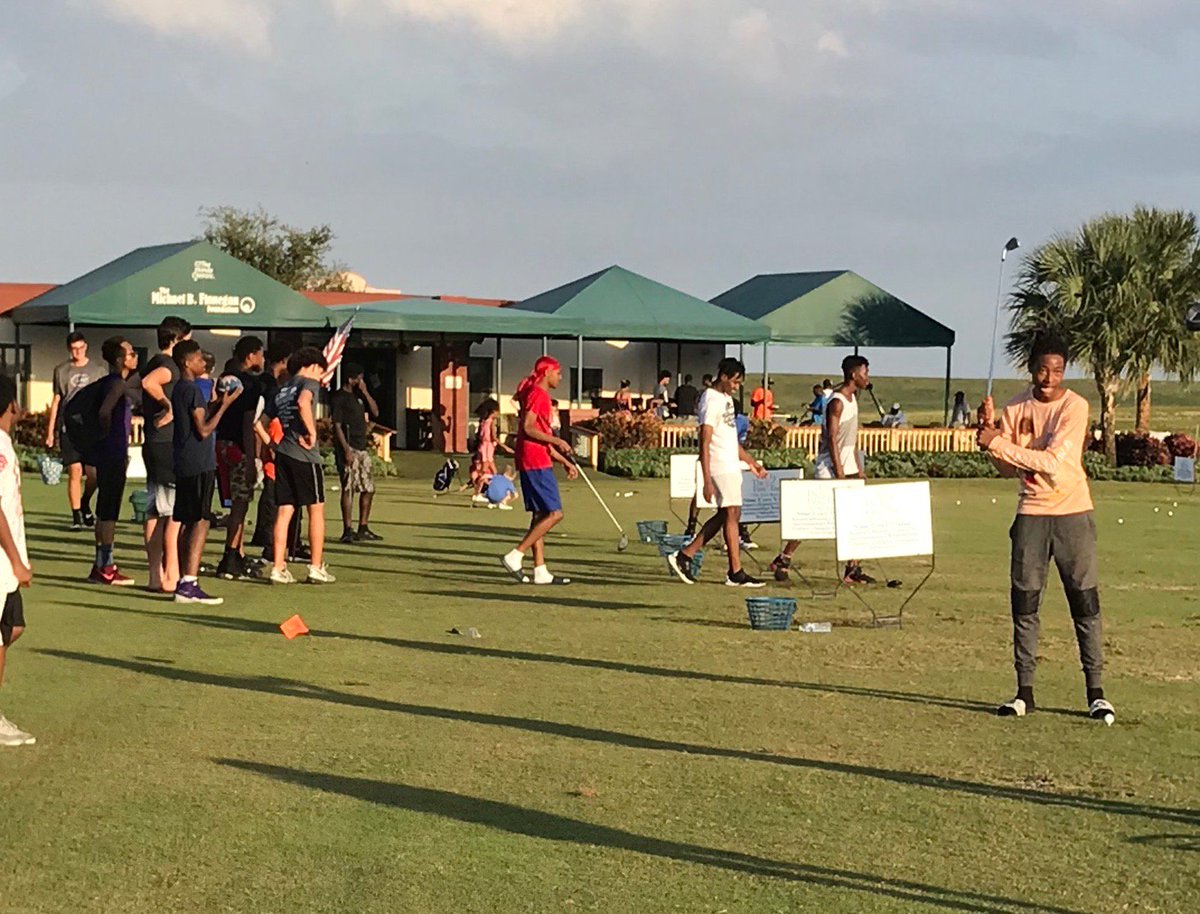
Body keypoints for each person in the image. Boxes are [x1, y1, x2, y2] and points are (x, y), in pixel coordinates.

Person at [978, 335, 1114, 723]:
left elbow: (1054, 462)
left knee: (1084, 602)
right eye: (1042, 369)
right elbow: (1007, 468)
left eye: (1057, 370)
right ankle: (1024, 692)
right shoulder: (1015, 407)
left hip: (1073, 514)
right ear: (1031, 368)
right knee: (1024, 603)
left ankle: (1096, 692)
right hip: (1030, 515)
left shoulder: (1075, 407)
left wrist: (998, 444)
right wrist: (989, 439)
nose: (1049, 377)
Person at [770, 355, 873, 585]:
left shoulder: (853, 400)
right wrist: (840, 474)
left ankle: (852, 568)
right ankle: (783, 559)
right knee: (814, 519)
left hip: (846, 468)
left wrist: (857, 468)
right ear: (854, 374)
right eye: (865, 372)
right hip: (830, 469)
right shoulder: (837, 402)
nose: (868, 377)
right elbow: (832, 439)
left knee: (855, 518)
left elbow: (852, 441)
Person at [667, 357, 767, 588]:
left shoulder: (727, 400)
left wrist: (752, 463)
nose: (736, 386)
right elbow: (705, 440)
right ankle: (735, 571)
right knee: (731, 512)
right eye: (734, 381)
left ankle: (686, 555)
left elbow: (731, 440)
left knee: (728, 514)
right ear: (723, 376)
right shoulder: (711, 399)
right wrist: (706, 479)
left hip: (730, 463)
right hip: (719, 466)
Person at [170, 340, 240, 605]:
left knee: (187, 520)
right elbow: (204, 429)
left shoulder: (180, 389)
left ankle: (183, 581)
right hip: (198, 461)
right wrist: (225, 405)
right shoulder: (193, 390)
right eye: (199, 359)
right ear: (188, 363)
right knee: (200, 520)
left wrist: (215, 405)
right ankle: (190, 581)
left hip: (184, 460)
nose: (203, 364)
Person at [500, 356, 578, 585]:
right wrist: (557, 441)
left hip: (533, 457)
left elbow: (535, 435)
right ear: (547, 373)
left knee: (540, 515)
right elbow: (528, 428)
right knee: (555, 513)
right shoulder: (539, 394)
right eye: (558, 372)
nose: (560, 377)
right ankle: (516, 555)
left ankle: (540, 570)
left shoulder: (536, 394)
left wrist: (563, 459)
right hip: (535, 461)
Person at [268, 347, 334, 585]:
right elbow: (304, 403)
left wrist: (273, 446)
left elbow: (260, 422)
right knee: (316, 508)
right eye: (322, 373)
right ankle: (315, 566)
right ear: (314, 367)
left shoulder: (281, 389)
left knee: (285, 510)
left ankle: (278, 566)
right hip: (305, 456)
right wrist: (312, 432)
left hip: (284, 453)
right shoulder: (308, 383)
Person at [138, 316, 191, 595]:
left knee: (154, 511)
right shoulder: (167, 366)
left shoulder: (156, 362)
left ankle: (155, 575)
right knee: (172, 512)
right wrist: (169, 405)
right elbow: (148, 383)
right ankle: (171, 574)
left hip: (154, 443)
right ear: (178, 339)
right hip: (165, 444)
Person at [84, 337, 139, 586]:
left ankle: (101, 565)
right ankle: (106, 566)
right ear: (120, 359)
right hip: (113, 453)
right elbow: (104, 411)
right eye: (130, 353)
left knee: (104, 511)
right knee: (109, 512)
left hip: (108, 453)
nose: (135, 356)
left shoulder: (111, 382)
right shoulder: (116, 383)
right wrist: (108, 435)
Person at [214, 336, 267, 577]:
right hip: (237, 447)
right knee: (240, 504)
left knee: (233, 499)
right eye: (260, 354)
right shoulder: (250, 385)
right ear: (251, 356)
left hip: (220, 443)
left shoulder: (224, 380)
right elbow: (249, 421)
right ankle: (231, 554)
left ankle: (238, 553)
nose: (262, 359)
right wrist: (252, 458)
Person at [0, 376, 34, 746]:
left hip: (7, 564)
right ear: (11, 405)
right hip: (1, 561)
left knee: (13, 627)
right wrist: (15, 559)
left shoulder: (6, 443)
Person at [45, 332, 106, 530]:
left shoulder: (98, 370)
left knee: (94, 474)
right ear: (68, 349)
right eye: (73, 349)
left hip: (91, 428)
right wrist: (50, 431)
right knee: (75, 470)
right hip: (69, 426)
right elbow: (56, 401)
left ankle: (85, 501)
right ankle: (77, 516)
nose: (77, 352)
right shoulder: (61, 370)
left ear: (86, 346)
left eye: (80, 348)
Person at [331, 363, 382, 543]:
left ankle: (363, 526)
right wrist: (345, 450)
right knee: (348, 488)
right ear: (350, 379)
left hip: (362, 446)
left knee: (368, 488)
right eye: (358, 378)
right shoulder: (339, 397)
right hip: (349, 445)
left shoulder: (358, 396)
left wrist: (366, 392)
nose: (361, 381)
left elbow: (375, 412)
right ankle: (347, 529)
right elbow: (336, 424)